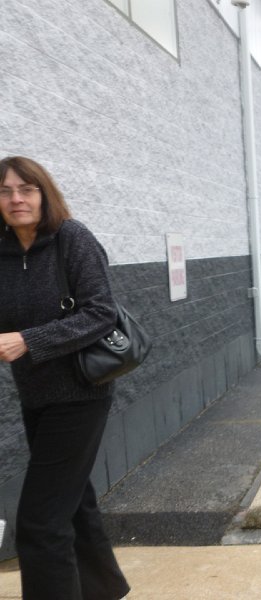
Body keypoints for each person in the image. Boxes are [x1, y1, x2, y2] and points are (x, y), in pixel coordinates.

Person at [0, 156, 130, 600]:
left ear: (43, 193)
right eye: (5, 191)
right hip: (34, 394)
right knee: (73, 505)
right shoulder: (3, 249)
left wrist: (29, 341)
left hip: (79, 395)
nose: (16, 199)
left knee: (39, 523)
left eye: (26, 189)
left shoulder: (70, 238)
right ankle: (102, 591)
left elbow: (101, 313)